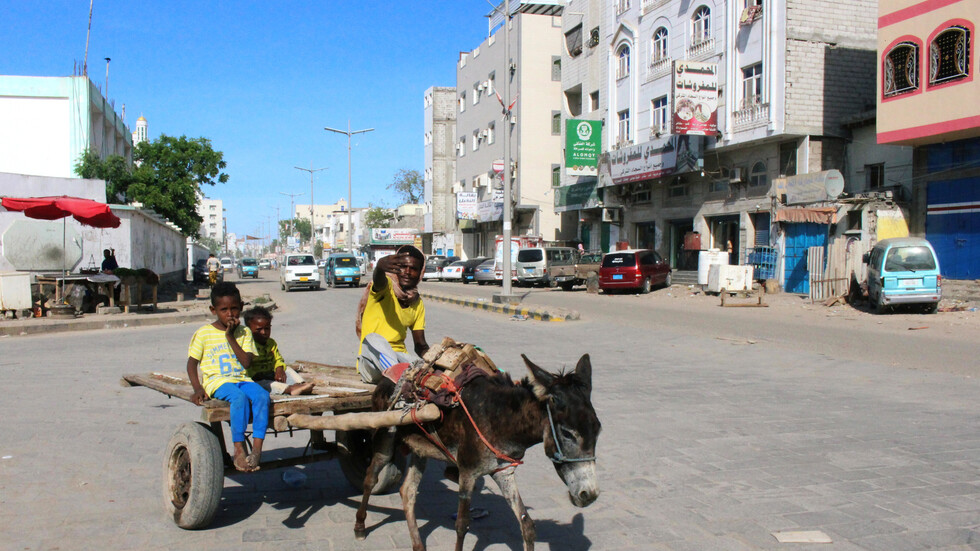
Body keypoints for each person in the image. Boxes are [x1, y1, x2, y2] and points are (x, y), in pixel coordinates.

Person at [186, 282, 268, 472]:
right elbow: (192, 363)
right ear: (213, 310)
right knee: (238, 398)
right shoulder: (204, 333)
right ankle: (239, 447)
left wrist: (230, 336)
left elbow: (246, 363)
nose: (230, 314)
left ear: (241, 308)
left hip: (242, 379)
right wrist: (198, 388)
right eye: (224, 310)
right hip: (218, 381)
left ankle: (256, 449)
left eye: (234, 309)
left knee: (262, 396)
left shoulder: (244, 332)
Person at [356, 245, 429, 384]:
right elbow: (378, 280)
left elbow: (420, 346)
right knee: (373, 339)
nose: (407, 272)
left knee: (422, 366)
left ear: (420, 273)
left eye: (413, 269)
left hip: (399, 358)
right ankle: (401, 384)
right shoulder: (386, 286)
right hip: (371, 362)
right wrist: (379, 267)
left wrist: (438, 360)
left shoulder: (417, 303)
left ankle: (400, 377)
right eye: (402, 267)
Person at [243, 306, 314, 396]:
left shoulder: (271, 343)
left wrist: (279, 368)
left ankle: (300, 384)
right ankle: (290, 389)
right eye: (258, 329)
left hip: (271, 374)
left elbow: (278, 359)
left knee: (287, 369)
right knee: (269, 385)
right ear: (248, 329)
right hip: (257, 379)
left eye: (267, 328)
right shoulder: (247, 345)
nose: (264, 332)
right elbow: (246, 365)